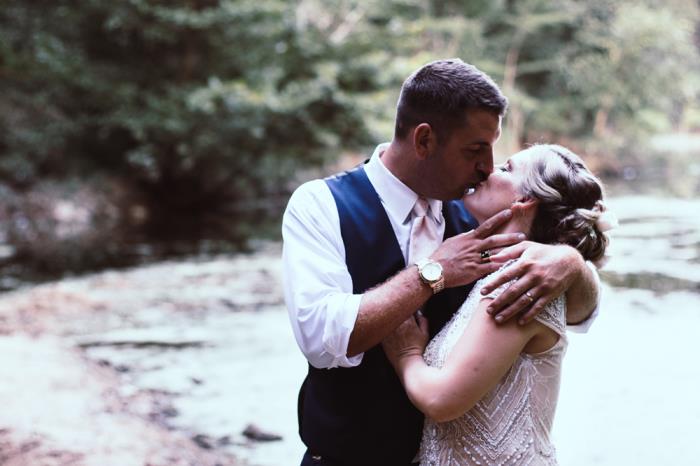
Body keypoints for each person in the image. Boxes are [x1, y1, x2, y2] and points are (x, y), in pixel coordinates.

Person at [282, 59, 599, 466]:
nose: (487, 166)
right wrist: (432, 274)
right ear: (424, 140)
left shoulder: (484, 214)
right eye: (474, 150)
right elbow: (320, 337)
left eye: (493, 149)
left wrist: (571, 263)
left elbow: (577, 316)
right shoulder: (320, 204)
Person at [382, 144, 614, 465]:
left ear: (525, 200)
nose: (489, 170)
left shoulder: (519, 283)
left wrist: (407, 354)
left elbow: (441, 399)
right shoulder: (505, 270)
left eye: (506, 169)